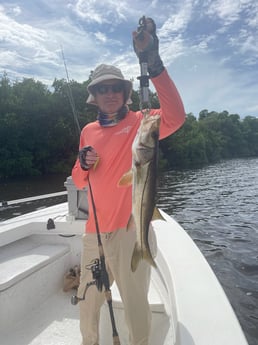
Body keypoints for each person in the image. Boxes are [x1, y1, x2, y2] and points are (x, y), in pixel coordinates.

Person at [72, 17, 185, 345]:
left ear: (124, 92)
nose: (109, 93)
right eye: (102, 88)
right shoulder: (88, 131)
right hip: (94, 231)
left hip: (129, 228)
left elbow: (176, 116)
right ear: (95, 95)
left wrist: (154, 64)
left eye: (114, 88)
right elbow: (80, 180)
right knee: (88, 301)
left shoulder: (143, 122)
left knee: (135, 305)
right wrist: (82, 163)